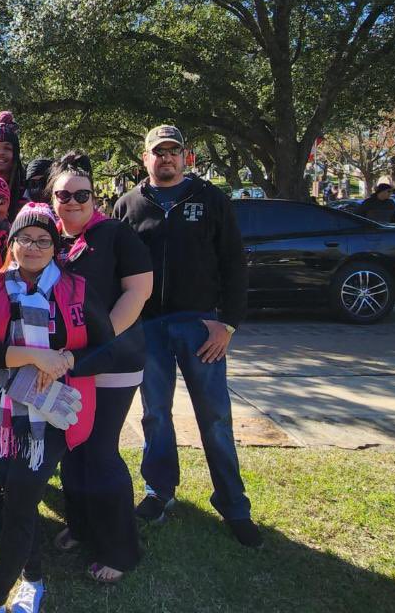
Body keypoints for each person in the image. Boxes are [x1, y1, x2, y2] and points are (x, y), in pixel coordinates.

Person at [0, 203, 133, 613]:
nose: (34, 247)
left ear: (55, 247)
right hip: (6, 414)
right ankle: (33, 576)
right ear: (13, 243)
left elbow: (108, 349)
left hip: (55, 416)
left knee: (21, 499)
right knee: (15, 497)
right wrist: (32, 356)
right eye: (25, 238)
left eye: (43, 240)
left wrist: (68, 360)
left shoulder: (75, 289)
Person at [114, 124, 261, 548]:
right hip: (149, 328)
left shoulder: (210, 199)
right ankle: (160, 492)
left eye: (173, 151)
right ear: (145, 158)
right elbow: (114, 268)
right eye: (158, 152)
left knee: (214, 417)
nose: (166, 158)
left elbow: (235, 263)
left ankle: (233, 504)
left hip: (201, 326)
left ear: (186, 157)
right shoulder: (128, 205)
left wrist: (228, 323)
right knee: (155, 415)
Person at [46, 151, 152, 581]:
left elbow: (138, 291)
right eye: (62, 195)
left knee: (101, 450)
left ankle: (120, 549)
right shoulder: (49, 239)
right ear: (52, 199)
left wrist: (98, 339)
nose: (71, 201)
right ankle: (82, 524)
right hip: (66, 363)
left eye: (81, 194)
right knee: (74, 448)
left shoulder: (115, 234)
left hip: (112, 360)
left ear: (93, 196)